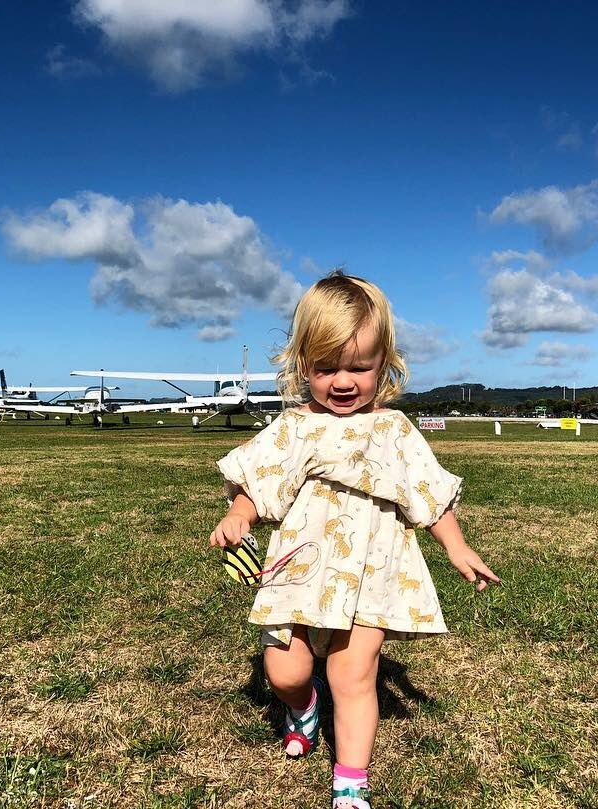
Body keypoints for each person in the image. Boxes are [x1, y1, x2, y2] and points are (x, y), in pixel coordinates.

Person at [210, 271, 500, 809]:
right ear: (302, 365)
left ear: (384, 364)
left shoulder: (393, 430)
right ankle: (302, 706)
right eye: (325, 369)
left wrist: (458, 548)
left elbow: (428, 495)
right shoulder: (294, 427)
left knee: (353, 670)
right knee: (286, 670)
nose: (342, 382)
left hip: (373, 569)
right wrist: (240, 514)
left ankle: (350, 781)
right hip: (302, 568)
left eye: (359, 368)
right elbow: (258, 481)